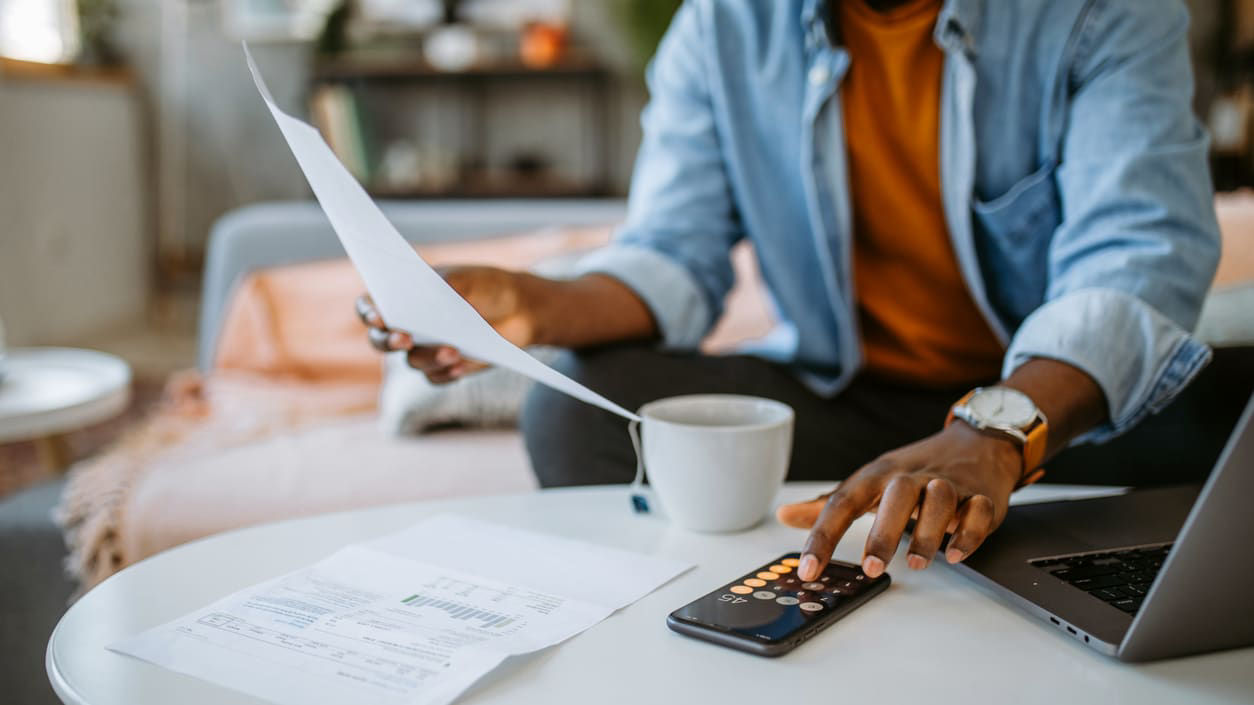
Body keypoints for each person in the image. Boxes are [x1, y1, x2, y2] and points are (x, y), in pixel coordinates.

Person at [358, 0, 1254, 584]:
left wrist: (996, 432)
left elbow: (1135, 254)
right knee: (582, 414)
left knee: (1234, 416)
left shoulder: (1102, 13)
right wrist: (534, 302)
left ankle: (977, 511)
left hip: (1055, 410)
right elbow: (674, 252)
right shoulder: (720, 30)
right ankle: (951, 528)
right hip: (854, 403)